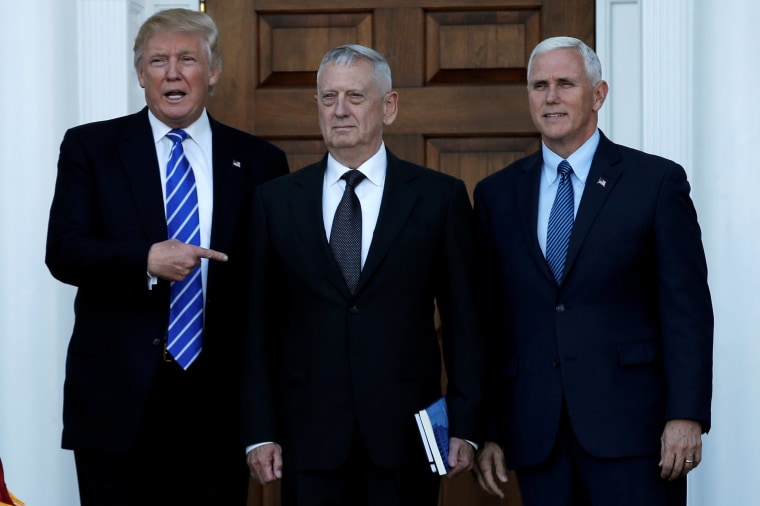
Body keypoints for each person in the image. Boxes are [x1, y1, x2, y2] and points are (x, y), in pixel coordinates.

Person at [45, 8, 289, 505]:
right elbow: (63, 251)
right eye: (158, 60)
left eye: (187, 59)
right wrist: (144, 259)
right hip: (117, 399)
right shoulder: (91, 148)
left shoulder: (261, 161)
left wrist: (266, 415)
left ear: (213, 71)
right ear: (141, 75)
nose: (172, 72)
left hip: (216, 404)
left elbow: (272, 289)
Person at [472, 36, 713, 505]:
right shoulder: (496, 195)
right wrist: (490, 429)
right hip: (537, 434)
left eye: (565, 83)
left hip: (635, 435)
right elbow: (488, 322)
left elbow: (686, 310)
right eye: (539, 85)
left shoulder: (655, 183)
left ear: (598, 95)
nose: (550, 97)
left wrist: (685, 415)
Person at [240, 44, 483, 506]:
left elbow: (465, 324)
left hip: (406, 437)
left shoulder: (439, 198)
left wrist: (467, 426)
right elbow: (256, 326)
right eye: (328, 98)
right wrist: (258, 432)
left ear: (388, 107)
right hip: (307, 439)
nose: (340, 110)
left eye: (355, 96)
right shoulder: (276, 202)